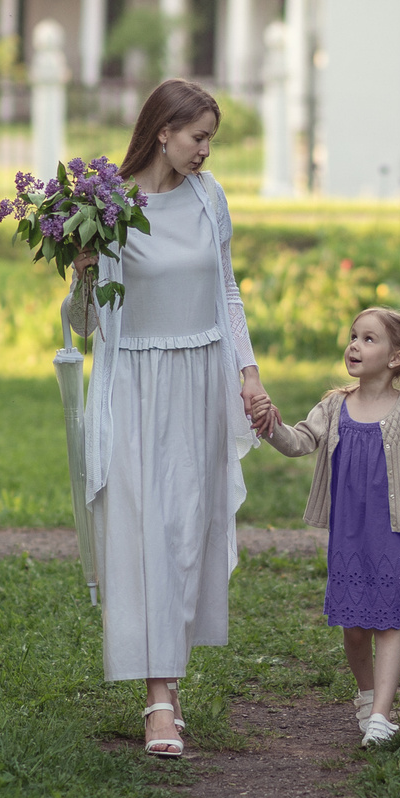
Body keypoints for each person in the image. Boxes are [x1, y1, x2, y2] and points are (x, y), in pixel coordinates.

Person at [68, 78, 274, 759]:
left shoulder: (210, 199)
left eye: (210, 138)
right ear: (163, 131)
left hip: (201, 378)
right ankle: (159, 697)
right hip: (137, 384)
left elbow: (227, 289)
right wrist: (83, 272)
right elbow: (86, 322)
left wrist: (247, 370)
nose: (205, 150)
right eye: (198, 136)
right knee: (146, 531)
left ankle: (171, 681)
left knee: (187, 530)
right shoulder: (110, 205)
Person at [258, 307, 400, 747]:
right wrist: (270, 426)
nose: (354, 345)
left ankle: (382, 716)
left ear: (396, 359)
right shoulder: (333, 406)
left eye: (369, 339)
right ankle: (367, 696)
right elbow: (298, 442)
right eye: (353, 336)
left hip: (395, 537)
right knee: (354, 627)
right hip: (348, 536)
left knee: (388, 624)